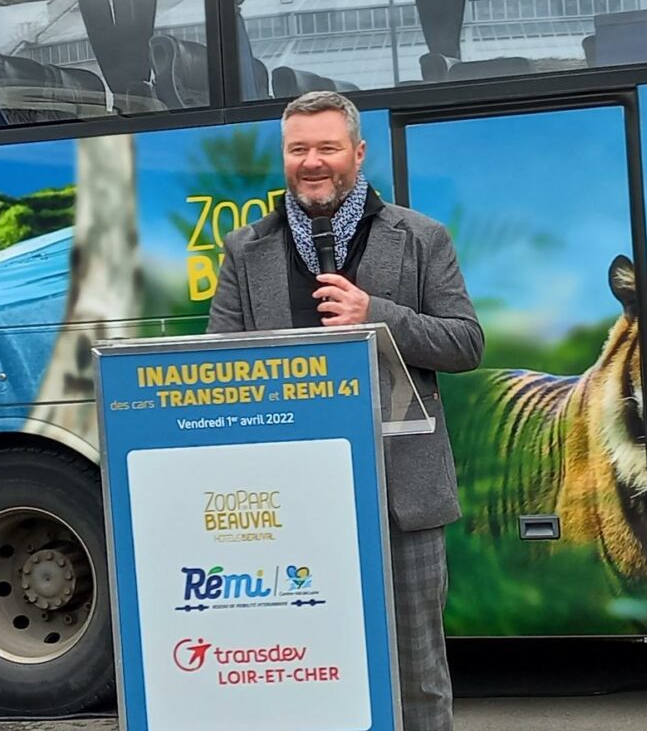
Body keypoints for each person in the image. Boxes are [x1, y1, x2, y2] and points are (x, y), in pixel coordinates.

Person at [206, 90, 480, 730]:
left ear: (357, 153)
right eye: (298, 149)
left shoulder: (421, 238)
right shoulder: (244, 250)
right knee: (308, 670)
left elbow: (466, 344)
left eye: (327, 147)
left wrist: (374, 314)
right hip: (289, 503)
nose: (312, 162)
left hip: (400, 497)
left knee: (417, 676)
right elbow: (219, 367)